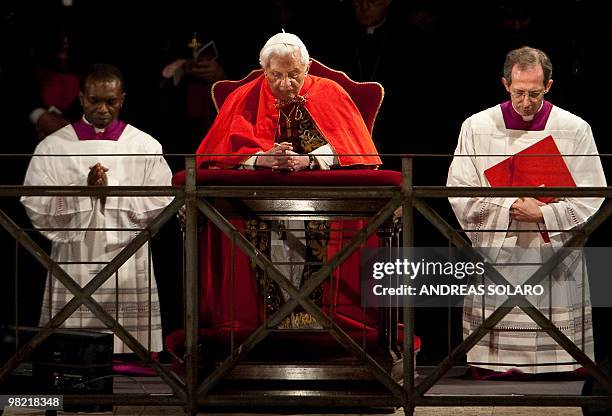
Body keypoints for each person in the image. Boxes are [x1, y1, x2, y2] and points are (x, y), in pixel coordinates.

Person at [195, 32, 380, 329]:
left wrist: (309, 160)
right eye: (276, 75)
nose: (284, 84)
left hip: (323, 205)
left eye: (293, 75)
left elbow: (357, 150)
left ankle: (320, 325)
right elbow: (214, 157)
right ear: (264, 70)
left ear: (306, 69)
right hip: (256, 206)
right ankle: (260, 324)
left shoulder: (330, 92)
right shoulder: (243, 97)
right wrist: (260, 158)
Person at [446, 46, 606, 376]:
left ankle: (561, 364)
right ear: (505, 83)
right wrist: (512, 207)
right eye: (518, 92)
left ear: (549, 86)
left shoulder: (575, 129)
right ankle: (494, 366)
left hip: (551, 250)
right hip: (501, 248)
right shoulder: (476, 127)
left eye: (535, 93)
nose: (526, 102)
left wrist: (545, 215)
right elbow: (459, 191)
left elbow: (592, 196)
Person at [21, 63, 173, 354]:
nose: (103, 109)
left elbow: (162, 200)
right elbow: (35, 200)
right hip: (76, 250)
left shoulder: (144, 145)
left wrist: (110, 188)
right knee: (73, 348)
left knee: (125, 341)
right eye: (94, 100)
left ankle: (128, 355)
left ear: (123, 99)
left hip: (125, 251)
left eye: (111, 101)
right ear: (81, 99)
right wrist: (84, 190)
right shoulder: (54, 146)